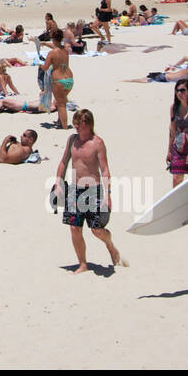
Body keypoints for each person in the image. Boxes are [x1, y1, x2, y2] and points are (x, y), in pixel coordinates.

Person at [51, 109, 124, 272]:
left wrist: (108, 195)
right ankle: (82, 263)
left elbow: (105, 170)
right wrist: (58, 183)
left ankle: (110, 246)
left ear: (89, 124)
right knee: (74, 228)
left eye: (79, 124)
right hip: (74, 190)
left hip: (93, 191)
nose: (76, 127)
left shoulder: (97, 143)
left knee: (97, 230)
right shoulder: (72, 140)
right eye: (75, 124)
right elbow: (63, 162)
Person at [41, 44, 73, 128]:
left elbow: (45, 67)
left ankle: (65, 127)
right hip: (69, 79)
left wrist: (39, 64)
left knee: (61, 104)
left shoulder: (52, 53)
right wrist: (44, 43)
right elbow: (57, 46)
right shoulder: (66, 50)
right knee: (62, 100)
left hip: (59, 80)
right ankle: (60, 121)